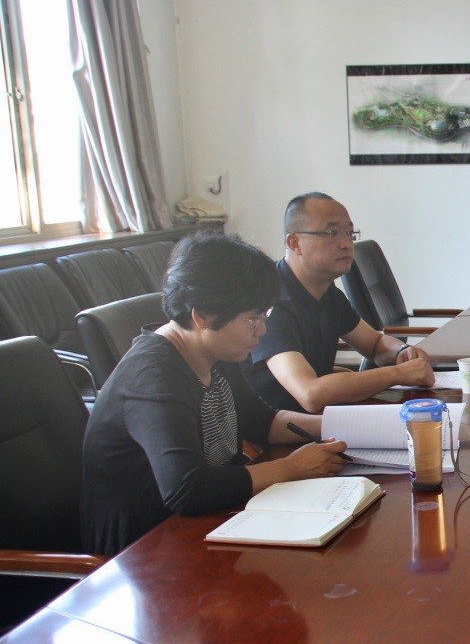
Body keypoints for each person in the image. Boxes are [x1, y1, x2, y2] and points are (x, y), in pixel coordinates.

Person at [82, 231, 349, 556]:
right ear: (203, 316)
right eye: (253, 319)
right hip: (143, 547)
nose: (262, 330)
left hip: (209, 521)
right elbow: (187, 489)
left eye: (264, 316)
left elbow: (264, 422)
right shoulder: (153, 375)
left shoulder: (215, 351)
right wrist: (291, 468)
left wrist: (348, 426)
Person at [243, 192, 436, 412]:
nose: (346, 244)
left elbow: (375, 344)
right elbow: (311, 394)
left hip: (320, 419)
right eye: (332, 233)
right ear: (294, 243)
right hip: (280, 428)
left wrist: (402, 352)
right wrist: (398, 374)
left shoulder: (327, 292)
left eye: (349, 233)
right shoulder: (271, 301)